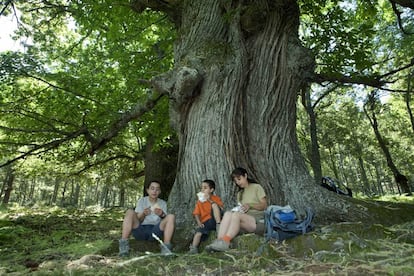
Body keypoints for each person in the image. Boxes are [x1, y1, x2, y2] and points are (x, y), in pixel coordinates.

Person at [205, 167, 267, 252]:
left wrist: (250, 205)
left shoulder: (256, 187)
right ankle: (219, 242)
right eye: (236, 181)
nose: (238, 182)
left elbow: (264, 206)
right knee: (228, 213)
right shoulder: (240, 194)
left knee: (236, 215)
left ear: (245, 176)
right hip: (244, 221)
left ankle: (226, 241)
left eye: (239, 179)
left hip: (258, 221)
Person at [118, 180, 175, 257]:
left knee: (171, 216)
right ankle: (123, 247)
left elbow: (165, 223)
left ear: (160, 191)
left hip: (155, 231)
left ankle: (166, 249)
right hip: (141, 230)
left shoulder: (163, 203)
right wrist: (143, 214)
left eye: (157, 189)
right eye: (152, 188)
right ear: (147, 190)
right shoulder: (142, 201)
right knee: (129, 212)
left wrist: (162, 214)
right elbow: (137, 220)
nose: (154, 191)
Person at [188, 179, 224, 254]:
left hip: (215, 219)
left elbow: (221, 209)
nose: (202, 190)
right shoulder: (199, 202)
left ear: (211, 190)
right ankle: (193, 249)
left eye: (205, 188)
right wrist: (199, 222)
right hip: (206, 222)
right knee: (198, 234)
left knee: (214, 205)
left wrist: (210, 200)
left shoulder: (215, 198)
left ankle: (219, 227)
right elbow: (196, 213)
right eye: (202, 188)